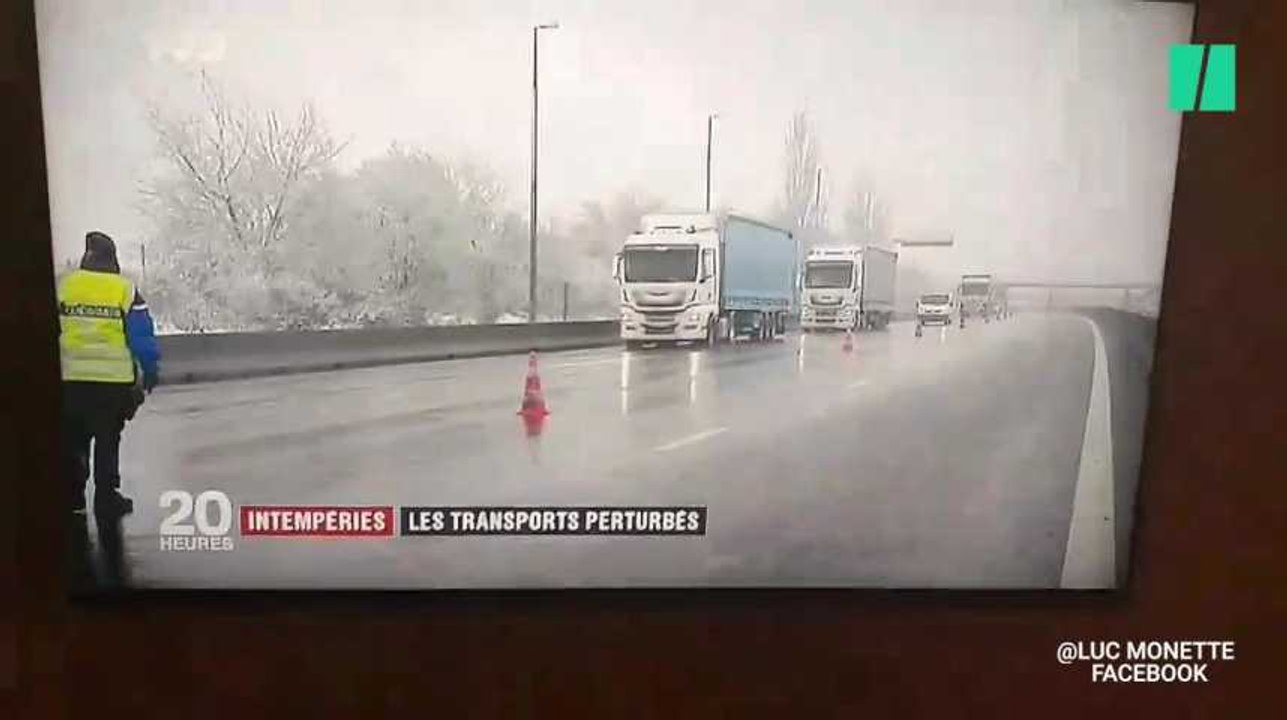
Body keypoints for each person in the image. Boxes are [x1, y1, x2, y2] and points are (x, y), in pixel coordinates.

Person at [58, 231, 160, 516]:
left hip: (71, 379)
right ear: (112, 258)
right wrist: (150, 371)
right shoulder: (124, 289)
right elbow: (142, 337)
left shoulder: (64, 286)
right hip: (112, 383)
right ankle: (106, 496)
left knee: (74, 437)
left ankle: (73, 493)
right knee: (107, 439)